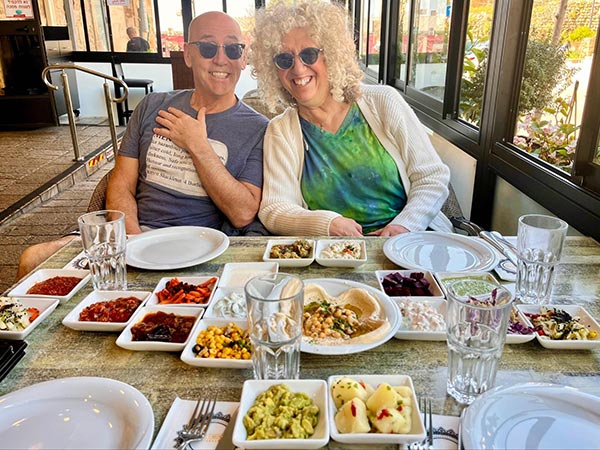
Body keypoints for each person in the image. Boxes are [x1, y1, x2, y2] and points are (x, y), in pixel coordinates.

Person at [17, 11, 268, 279]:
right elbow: (121, 182)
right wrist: (133, 241)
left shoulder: (258, 128)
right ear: (187, 55)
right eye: (207, 48)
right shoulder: (152, 106)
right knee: (33, 259)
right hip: (131, 236)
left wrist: (198, 146)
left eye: (232, 49)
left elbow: (243, 213)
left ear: (243, 58)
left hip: (197, 246)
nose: (221, 59)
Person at [251, 1, 453, 237]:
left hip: (410, 241)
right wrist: (328, 224)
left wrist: (404, 226)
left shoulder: (382, 102)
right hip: (334, 252)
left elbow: (431, 177)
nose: (298, 69)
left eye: (309, 54)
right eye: (284, 59)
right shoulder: (280, 130)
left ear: (333, 55)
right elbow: (274, 210)